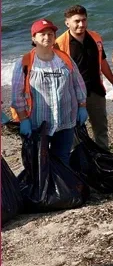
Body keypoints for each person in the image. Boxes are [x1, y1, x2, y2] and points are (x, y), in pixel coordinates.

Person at [10, 19, 88, 163]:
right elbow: (17, 95)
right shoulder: (25, 63)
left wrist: (82, 106)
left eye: (50, 34)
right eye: (42, 34)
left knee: (62, 158)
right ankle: (43, 186)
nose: (47, 37)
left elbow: (79, 84)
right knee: (39, 162)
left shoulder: (65, 59)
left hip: (66, 121)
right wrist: (23, 119)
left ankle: (60, 186)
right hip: (37, 124)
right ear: (33, 38)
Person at [54, 5, 113, 151]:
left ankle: (103, 158)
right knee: (76, 133)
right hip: (73, 95)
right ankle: (80, 162)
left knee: (101, 129)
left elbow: (102, 62)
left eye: (84, 20)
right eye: (77, 21)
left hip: (96, 91)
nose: (81, 24)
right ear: (67, 23)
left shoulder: (95, 38)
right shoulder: (59, 44)